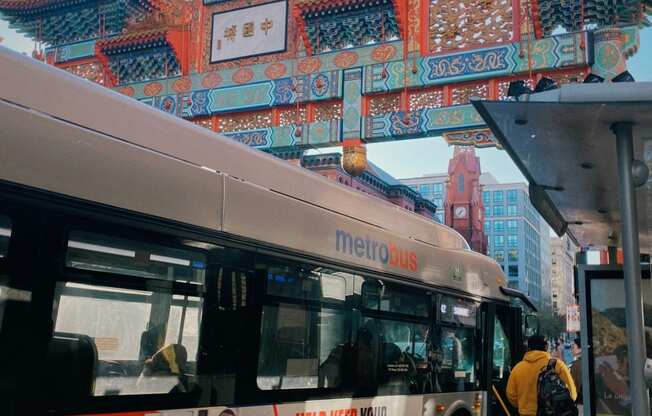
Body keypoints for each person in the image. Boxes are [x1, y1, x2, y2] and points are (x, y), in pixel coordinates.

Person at [507, 335, 577, 416]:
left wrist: (524, 405)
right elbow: (572, 394)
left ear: (528, 348)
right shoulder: (557, 365)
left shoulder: (517, 368)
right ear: (546, 347)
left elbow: (511, 395)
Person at [569, 338, 583, 411]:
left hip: (580, 403)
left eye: (573, 347)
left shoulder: (576, 365)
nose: (571, 349)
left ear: (580, 349)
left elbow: (572, 386)